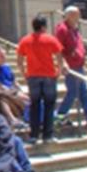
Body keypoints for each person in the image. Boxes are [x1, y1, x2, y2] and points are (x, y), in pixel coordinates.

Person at [16, 15, 64, 144]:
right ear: (44, 26)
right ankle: (48, 135)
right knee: (49, 105)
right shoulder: (51, 39)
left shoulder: (25, 40)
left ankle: (34, 134)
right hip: (49, 75)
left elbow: (19, 61)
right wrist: (58, 72)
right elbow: (59, 58)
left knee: (34, 105)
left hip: (33, 76)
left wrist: (24, 74)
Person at [55, 6, 87, 123]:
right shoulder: (62, 29)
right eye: (76, 14)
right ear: (69, 16)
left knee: (84, 93)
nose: (79, 17)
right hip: (71, 67)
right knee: (73, 92)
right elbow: (58, 49)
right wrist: (63, 63)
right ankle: (60, 116)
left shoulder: (75, 29)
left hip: (79, 66)